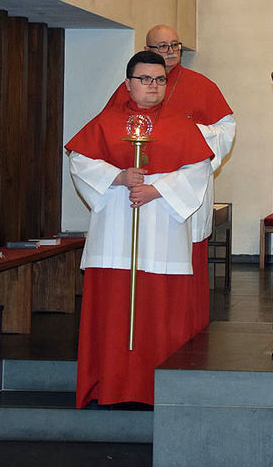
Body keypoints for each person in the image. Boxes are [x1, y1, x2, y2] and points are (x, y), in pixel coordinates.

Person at [66, 51, 215, 407]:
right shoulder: (106, 121)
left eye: (160, 80)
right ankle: (110, 386)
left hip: (162, 225)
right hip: (117, 227)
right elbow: (79, 160)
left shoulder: (181, 124)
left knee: (159, 311)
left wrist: (156, 189)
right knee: (115, 311)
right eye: (145, 79)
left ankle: (157, 390)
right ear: (128, 83)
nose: (153, 86)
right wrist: (117, 176)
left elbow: (199, 169)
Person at [106, 24, 235, 335]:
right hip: (140, 191)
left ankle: (187, 330)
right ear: (148, 49)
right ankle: (145, 329)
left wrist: (185, 135)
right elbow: (109, 132)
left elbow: (227, 131)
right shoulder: (130, 88)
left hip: (182, 190)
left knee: (185, 259)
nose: (171, 52)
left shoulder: (202, 85)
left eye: (175, 45)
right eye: (162, 47)